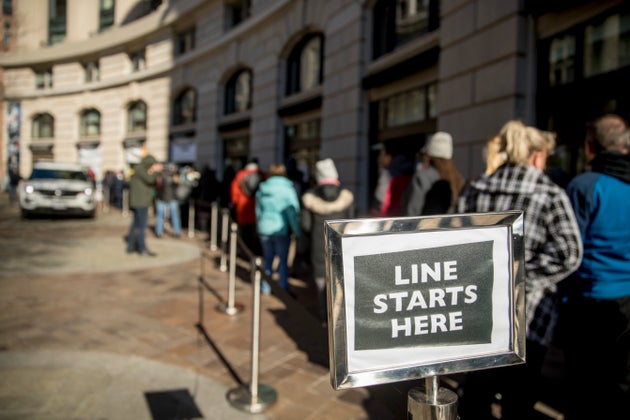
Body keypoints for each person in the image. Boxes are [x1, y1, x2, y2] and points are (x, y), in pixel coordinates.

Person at [456, 120, 583, 420]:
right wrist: (521, 279)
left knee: (477, 394)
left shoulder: (476, 188)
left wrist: (490, 277)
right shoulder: (549, 194)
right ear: (537, 156)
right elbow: (569, 253)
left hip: (480, 312)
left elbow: (455, 244)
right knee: (519, 400)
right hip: (528, 318)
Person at [555, 114, 630, 419]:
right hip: (626, 302)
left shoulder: (584, 185)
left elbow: (568, 249)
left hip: (586, 299)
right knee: (620, 381)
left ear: (589, 147)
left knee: (582, 384)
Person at [301, 158, 354, 323]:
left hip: (319, 245)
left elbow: (306, 225)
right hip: (341, 245)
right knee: (341, 281)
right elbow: (351, 223)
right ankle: (342, 318)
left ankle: (325, 319)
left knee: (322, 283)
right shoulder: (346, 196)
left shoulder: (310, 198)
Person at [255, 162, 301, 296]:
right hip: (281, 229)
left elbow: (258, 211)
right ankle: (282, 287)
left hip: (264, 228)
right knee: (283, 260)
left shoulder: (262, 188)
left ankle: (266, 287)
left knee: (267, 259)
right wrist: (297, 231)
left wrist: (259, 226)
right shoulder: (287, 189)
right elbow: (293, 213)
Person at [402, 131, 465, 216]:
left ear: (429, 155)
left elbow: (412, 212)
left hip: (426, 227)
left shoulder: (422, 177)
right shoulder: (459, 179)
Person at [126, 153, 162, 256]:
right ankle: (142, 249)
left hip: (139, 202)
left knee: (135, 225)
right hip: (141, 203)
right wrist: (155, 171)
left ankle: (131, 247)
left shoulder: (139, 169)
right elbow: (150, 180)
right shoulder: (140, 169)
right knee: (141, 226)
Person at [231, 157, 265, 255]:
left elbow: (235, 192)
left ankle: (243, 249)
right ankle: (254, 251)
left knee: (243, 231)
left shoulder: (240, 175)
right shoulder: (262, 175)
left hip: (243, 208)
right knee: (255, 232)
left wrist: (235, 204)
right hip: (256, 207)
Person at [378, 145, 415, 217]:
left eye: (382, 155)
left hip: (391, 215)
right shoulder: (409, 172)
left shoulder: (390, 174)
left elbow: (386, 199)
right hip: (404, 213)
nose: (380, 159)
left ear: (389, 157)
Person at [154, 162, 182, 238]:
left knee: (160, 216)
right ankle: (177, 232)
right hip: (172, 198)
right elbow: (177, 187)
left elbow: (157, 187)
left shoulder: (159, 176)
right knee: (175, 216)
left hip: (161, 198)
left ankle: (159, 232)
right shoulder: (174, 176)